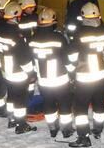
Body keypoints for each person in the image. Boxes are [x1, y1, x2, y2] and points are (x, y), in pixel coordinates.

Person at [66, 2, 104, 147]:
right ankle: (98, 130)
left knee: (81, 108)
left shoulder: (79, 34)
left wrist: (71, 71)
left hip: (84, 78)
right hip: (101, 77)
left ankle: (83, 137)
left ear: (83, 17)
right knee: (99, 104)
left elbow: (71, 55)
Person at [29, 8, 74, 138]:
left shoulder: (32, 40)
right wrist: (72, 74)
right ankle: (66, 130)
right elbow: (67, 59)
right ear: (53, 21)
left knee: (48, 103)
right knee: (64, 104)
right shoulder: (59, 38)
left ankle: (53, 129)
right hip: (60, 80)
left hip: (43, 81)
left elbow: (31, 59)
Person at [0, 1, 36, 134]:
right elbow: (23, 57)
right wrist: (31, 72)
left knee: (11, 95)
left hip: (6, 70)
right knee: (20, 99)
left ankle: (11, 119)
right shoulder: (16, 35)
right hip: (18, 72)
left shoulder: (0, 31)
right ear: (16, 17)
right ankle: (21, 124)